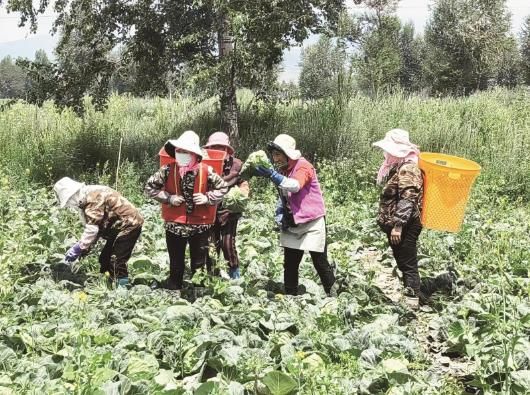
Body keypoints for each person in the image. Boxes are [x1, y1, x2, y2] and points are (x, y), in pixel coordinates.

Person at [144, 130, 228, 297]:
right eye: (178, 150)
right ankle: (174, 292)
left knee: (199, 263)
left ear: (194, 154)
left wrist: (207, 198)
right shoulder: (167, 169)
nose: (180, 154)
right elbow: (149, 187)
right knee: (176, 262)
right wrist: (168, 198)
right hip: (174, 224)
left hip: (200, 225)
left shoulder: (207, 170)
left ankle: (200, 296)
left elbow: (223, 188)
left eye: (185, 151)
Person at [255, 134, 337, 297]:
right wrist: (280, 211)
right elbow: (284, 194)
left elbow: (295, 186)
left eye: (277, 154)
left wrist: (272, 175)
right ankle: (290, 296)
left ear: (287, 154)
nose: (274, 158)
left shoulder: (303, 166)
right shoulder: (284, 170)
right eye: (273, 155)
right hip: (293, 221)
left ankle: (334, 295)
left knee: (320, 262)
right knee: (290, 264)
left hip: (312, 221)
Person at [53, 177, 144, 286]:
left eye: (69, 202)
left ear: (72, 195)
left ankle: (122, 289)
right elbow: (96, 229)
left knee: (116, 260)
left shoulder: (92, 198)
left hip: (129, 224)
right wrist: (83, 250)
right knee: (104, 259)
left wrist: (78, 248)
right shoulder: (87, 196)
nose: (70, 206)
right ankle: (108, 283)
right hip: (117, 227)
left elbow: (92, 229)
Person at [373, 128, 425, 309]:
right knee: (403, 260)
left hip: (406, 224)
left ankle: (412, 302)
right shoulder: (399, 165)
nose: (386, 153)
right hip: (399, 222)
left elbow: (408, 197)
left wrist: (398, 225)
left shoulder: (408, 167)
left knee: (407, 261)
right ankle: (414, 293)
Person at [203, 131, 249, 279]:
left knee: (227, 243)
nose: (217, 150)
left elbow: (243, 182)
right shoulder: (202, 163)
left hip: (229, 211)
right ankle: (212, 274)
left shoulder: (236, 164)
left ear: (228, 150)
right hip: (208, 209)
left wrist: (242, 192)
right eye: (214, 147)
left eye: (221, 147)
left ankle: (234, 273)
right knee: (211, 245)